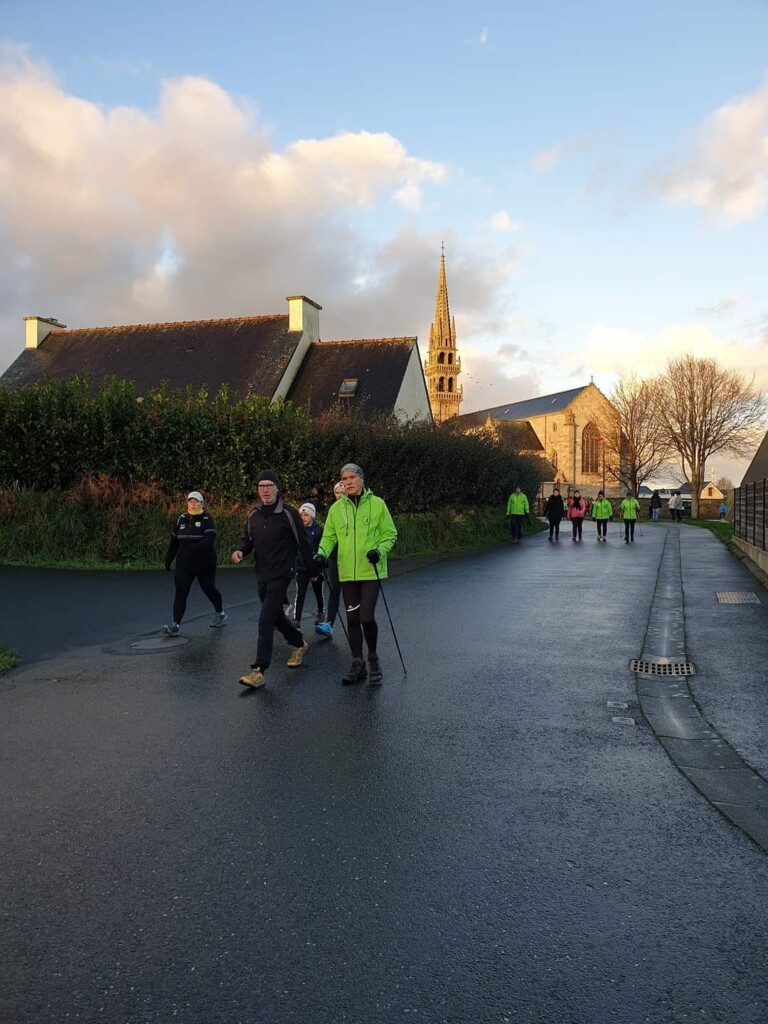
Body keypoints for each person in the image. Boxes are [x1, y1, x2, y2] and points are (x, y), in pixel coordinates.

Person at [314, 463, 397, 685]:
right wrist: (321, 553)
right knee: (352, 619)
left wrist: (378, 551)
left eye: (352, 477)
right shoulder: (336, 509)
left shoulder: (377, 504)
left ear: (361, 479)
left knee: (366, 617)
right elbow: (329, 537)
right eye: (344, 479)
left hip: (370, 571)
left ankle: (372, 656)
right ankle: (357, 662)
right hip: (347, 573)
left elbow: (390, 534)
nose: (348, 482)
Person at [231, 470, 314, 689]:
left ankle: (259, 670)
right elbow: (247, 540)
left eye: (269, 485)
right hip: (262, 573)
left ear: (277, 488)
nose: (265, 490)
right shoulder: (254, 514)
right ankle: (298, 643)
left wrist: (313, 568)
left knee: (265, 618)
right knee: (276, 617)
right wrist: (240, 551)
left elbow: (303, 543)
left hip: (282, 572)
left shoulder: (289, 513)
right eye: (261, 486)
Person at [163, 490, 226, 635]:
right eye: (190, 501)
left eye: (196, 501)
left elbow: (209, 541)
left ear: (202, 503)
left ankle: (220, 613)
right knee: (181, 592)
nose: (193, 504)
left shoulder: (207, 519)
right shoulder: (181, 519)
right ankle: (175, 624)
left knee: (209, 589)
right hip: (184, 565)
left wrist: (193, 548)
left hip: (205, 563)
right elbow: (174, 542)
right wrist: (169, 559)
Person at [316, 481, 345, 639]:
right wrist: (322, 553)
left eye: (343, 492)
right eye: (337, 493)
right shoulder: (333, 510)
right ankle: (329, 623)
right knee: (334, 588)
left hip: (350, 556)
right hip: (334, 556)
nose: (340, 495)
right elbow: (328, 535)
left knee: (351, 591)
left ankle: (357, 623)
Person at [293, 502, 324, 627]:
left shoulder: (319, 530)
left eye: (306, 515)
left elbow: (323, 547)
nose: (303, 517)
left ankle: (321, 612)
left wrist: (320, 566)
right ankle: (296, 619)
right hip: (301, 567)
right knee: (300, 593)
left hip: (315, 567)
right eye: (301, 515)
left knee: (318, 592)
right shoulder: (297, 529)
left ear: (312, 516)